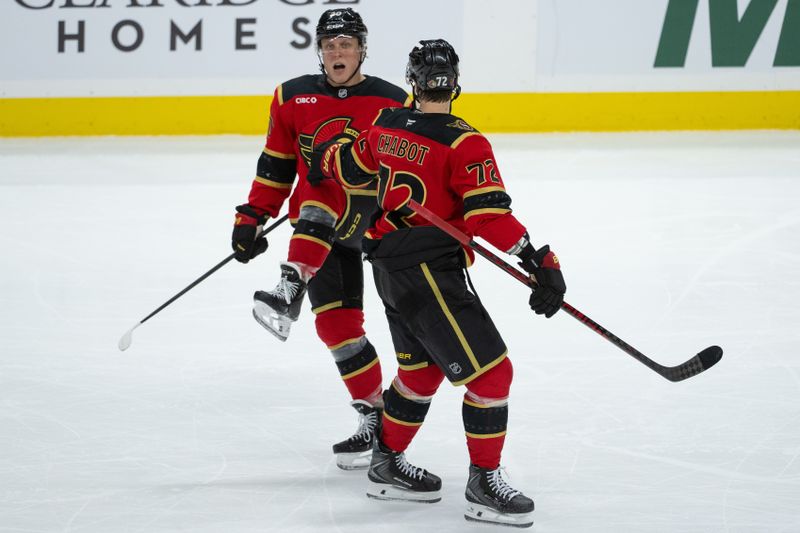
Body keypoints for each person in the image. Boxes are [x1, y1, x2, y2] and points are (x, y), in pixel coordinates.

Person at [307, 39, 566, 528]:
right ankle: (483, 485)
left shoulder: (385, 124)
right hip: (429, 271)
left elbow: (347, 164)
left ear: (413, 80)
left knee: (421, 373)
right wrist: (540, 258)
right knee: (492, 376)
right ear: (456, 83)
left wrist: (325, 155)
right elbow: (488, 217)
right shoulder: (466, 141)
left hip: (386, 264)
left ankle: (385, 465)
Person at [230, 8, 411, 471]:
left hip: (369, 218)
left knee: (324, 178)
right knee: (337, 327)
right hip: (320, 234)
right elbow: (275, 163)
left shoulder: (393, 101)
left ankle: (291, 283)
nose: (337, 52)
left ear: (362, 49)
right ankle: (374, 416)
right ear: (320, 50)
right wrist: (253, 215)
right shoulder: (291, 97)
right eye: (330, 45)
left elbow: (409, 169)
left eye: (346, 44)